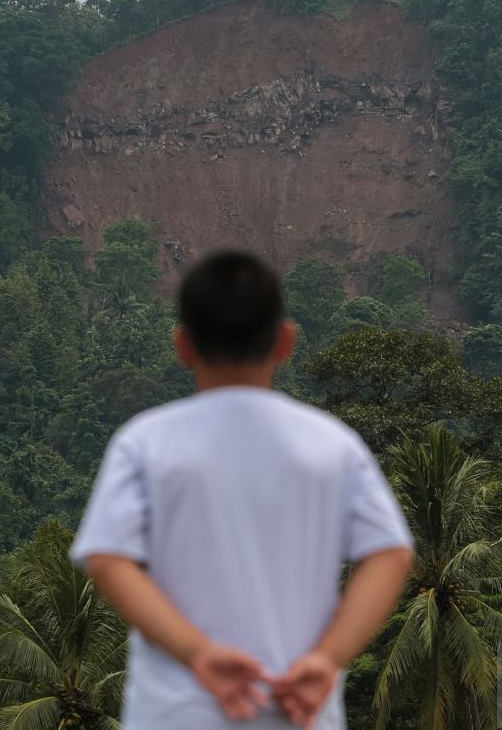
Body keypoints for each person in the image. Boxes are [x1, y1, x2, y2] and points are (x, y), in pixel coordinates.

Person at [69, 249, 413, 729]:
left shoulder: (145, 442)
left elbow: (107, 558)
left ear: (183, 345)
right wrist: (327, 659)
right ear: (285, 341)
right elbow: (390, 554)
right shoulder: (332, 444)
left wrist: (200, 655)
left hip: (175, 714)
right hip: (300, 712)